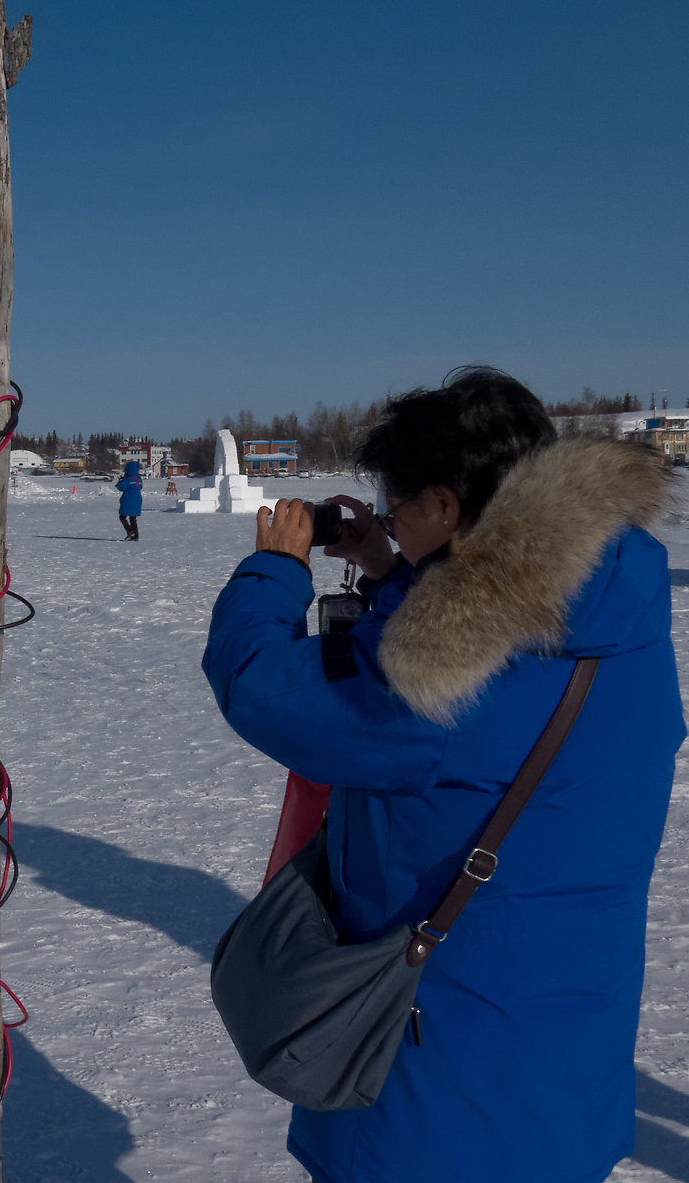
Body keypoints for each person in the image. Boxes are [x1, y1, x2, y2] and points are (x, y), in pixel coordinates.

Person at [202, 367, 682, 1183]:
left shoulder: (442, 676)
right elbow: (502, 632)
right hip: (562, 1047)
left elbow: (262, 687)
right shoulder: (617, 601)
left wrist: (275, 570)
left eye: (398, 507)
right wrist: (393, 571)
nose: (391, 519)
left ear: (449, 507)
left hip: (440, 1080)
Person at [116, 460, 143, 540]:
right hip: (137, 499)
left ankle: (130, 531)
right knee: (133, 518)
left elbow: (121, 487)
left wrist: (120, 481)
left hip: (128, 499)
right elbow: (140, 487)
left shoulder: (128, 479)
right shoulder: (139, 478)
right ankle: (136, 535)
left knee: (122, 517)